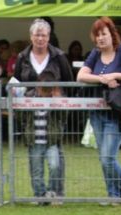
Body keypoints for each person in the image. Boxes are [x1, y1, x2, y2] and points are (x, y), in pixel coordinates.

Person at [77, 16, 121, 201]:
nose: (100, 38)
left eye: (104, 34)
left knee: (107, 158)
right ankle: (113, 195)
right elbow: (81, 76)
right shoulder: (95, 54)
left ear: (112, 34)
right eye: (97, 35)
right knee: (103, 158)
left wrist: (116, 75)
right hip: (97, 114)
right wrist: (102, 79)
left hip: (116, 114)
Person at [13, 19, 73, 201]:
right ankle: (40, 195)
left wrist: (60, 100)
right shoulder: (22, 57)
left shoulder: (59, 56)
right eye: (37, 35)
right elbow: (16, 82)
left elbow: (69, 83)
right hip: (31, 115)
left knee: (56, 158)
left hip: (54, 114)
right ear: (31, 36)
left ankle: (56, 193)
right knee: (36, 161)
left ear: (49, 37)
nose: (40, 38)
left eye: (44, 35)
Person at [20, 70, 66, 203]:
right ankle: (39, 196)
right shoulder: (28, 96)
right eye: (43, 90)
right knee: (36, 171)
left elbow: (63, 117)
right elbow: (20, 116)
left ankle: (51, 193)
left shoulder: (56, 97)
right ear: (38, 86)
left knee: (55, 166)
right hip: (34, 140)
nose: (45, 94)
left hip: (51, 140)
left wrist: (58, 102)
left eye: (48, 91)